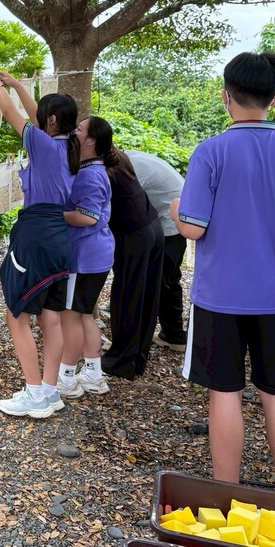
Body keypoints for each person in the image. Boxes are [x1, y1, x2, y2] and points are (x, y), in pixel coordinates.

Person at [172, 51, 275, 492]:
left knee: (224, 394)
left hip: (219, 296)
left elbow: (193, 227)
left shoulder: (211, 152)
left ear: (226, 97)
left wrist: (175, 210)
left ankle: (227, 494)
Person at [0, 71, 80, 419]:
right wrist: (16, 85)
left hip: (36, 235)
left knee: (17, 315)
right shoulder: (69, 144)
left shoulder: (43, 145)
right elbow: (35, 116)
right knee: (51, 318)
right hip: (59, 236)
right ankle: (50, 389)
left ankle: (34, 393)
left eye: (44, 116)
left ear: (51, 121)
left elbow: (15, 116)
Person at [58, 116, 115, 399]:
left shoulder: (90, 175)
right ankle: (93, 373)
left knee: (70, 316)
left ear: (91, 140)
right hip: (97, 255)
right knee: (84, 315)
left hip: (84, 257)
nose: (74, 132)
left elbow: (87, 217)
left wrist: (52, 214)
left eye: (79, 129)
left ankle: (66, 377)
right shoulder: (92, 169)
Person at [101, 143, 165, 380]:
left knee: (128, 295)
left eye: (80, 132)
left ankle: (122, 361)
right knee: (146, 296)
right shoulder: (118, 159)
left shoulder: (104, 170)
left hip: (135, 234)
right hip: (151, 227)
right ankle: (137, 356)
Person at [125, 150, 189, 351]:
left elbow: (124, 205)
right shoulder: (130, 159)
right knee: (168, 280)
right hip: (174, 219)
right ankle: (174, 334)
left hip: (171, 223)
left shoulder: (130, 169)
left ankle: (137, 341)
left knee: (157, 282)